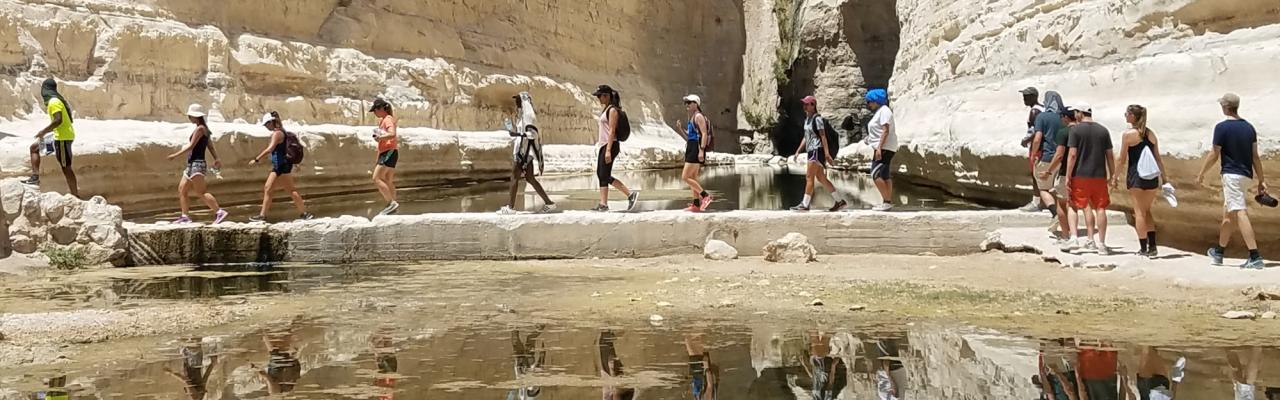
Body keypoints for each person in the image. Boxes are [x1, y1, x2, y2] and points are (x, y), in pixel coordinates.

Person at [1196, 93, 1267, 269]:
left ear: (1225, 107)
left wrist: (1201, 173)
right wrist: (1261, 180)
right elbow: (1255, 157)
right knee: (1228, 213)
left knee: (1240, 212)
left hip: (1231, 175)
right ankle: (1219, 252)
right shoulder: (1249, 128)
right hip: (1245, 175)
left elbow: (1214, 153)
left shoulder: (1221, 127)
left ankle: (1255, 256)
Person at [1112, 105, 1166, 258]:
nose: (1125, 116)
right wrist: (1165, 178)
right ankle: (1153, 247)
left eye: (1127, 114)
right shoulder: (1151, 134)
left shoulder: (1128, 135)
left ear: (1133, 116)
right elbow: (1158, 158)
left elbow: (1121, 159)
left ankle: (1143, 248)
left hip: (1136, 176)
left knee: (1139, 213)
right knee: (1147, 211)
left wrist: (1115, 177)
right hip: (1152, 177)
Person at [1062, 103, 1115, 255]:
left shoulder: (1076, 130)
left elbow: (1072, 155)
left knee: (1073, 204)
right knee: (1100, 208)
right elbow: (1110, 155)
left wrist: (1068, 175)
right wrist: (1112, 175)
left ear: (1079, 113)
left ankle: (1074, 238)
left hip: (1080, 174)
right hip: (1099, 175)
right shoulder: (1103, 130)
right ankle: (1101, 243)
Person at [168, 104, 228, 224]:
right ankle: (185, 216)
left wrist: (175, 155)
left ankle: (219, 211)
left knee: (201, 191)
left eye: (190, 116)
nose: (189, 118)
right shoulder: (204, 129)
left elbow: (191, 146)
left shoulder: (200, 129)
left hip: (197, 164)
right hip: (192, 165)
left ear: (195, 116)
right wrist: (216, 158)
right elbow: (209, 145)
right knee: (182, 189)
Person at [248, 111, 313, 222]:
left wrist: (256, 159)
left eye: (267, 124)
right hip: (281, 165)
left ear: (272, 122)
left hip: (281, 166)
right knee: (270, 189)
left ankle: (304, 213)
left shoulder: (277, 133)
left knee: (283, 190)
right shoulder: (281, 132)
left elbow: (270, 149)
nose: (266, 127)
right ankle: (263, 215)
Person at [498, 92, 555, 215]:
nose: (516, 102)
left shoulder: (529, 117)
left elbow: (532, 134)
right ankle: (549, 203)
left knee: (514, 178)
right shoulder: (522, 116)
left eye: (518, 100)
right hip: (524, 151)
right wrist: (513, 131)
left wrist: (518, 135)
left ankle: (510, 207)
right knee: (530, 178)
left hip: (523, 152)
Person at [22, 78, 79, 198]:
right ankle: (35, 177)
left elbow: (58, 120)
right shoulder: (56, 100)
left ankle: (75, 195)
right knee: (34, 148)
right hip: (57, 136)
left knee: (66, 167)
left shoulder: (54, 102)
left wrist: (43, 132)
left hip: (62, 139)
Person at [789, 96, 848, 212]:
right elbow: (806, 137)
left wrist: (827, 154)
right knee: (821, 178)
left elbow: (823, 136)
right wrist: (798, 150)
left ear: (813, 105)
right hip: (811, 150)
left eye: (807, 104)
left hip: (817, 150)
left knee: (809, 177)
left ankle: (805, 204)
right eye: (804, 104)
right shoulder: (807, 120)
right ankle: (840, 201)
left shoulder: (817, 119)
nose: (804, 106)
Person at [591, 85, 639, 212]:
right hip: (605, 145)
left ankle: (629, 195)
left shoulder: (612, 110)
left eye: (600, 96)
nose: (598, 98)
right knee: (602, 174)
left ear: (606, 96)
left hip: (610, 145)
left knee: (604, 174)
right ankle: (603, 203)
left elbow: (612, 131)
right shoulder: (606, 109)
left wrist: (608, 150)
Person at [1041, 108, 1078, 244]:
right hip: (1083, 172)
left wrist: (1048, 171)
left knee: (1062, 204)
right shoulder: (1082, 131)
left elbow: (1059, 154)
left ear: (1065, 117)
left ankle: (1065, 234)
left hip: (1065, 172)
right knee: (1078, 205)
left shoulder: (1064, 132)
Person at [1031, 92, 1065, 224]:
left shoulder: (1042, 117)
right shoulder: (1063, 117)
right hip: (1062, 158)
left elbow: (1037, 138)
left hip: (1047, 156)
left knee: (1043, 188)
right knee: (1059, 189)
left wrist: (1034, 154)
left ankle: (1055, 214)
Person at [865, 89, 898, 211]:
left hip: (884, 147)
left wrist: (879, 147)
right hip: (884, 146)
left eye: (869, 102)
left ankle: (887, 201)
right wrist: (869, 138)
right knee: (884, 175)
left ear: (875, 100)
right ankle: (887, 202)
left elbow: (885, 130)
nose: (868, 105)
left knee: (875, 174)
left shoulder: (884, 111)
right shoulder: (881, 111)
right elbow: (879, 130)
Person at [680, 94, 714, 212]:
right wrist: (680, 129)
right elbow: (690, 136)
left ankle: (705, 196)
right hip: (691, 146)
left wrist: (701, 150)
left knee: (685, 177)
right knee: (693, 177)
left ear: (696, 104)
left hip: (696, 147)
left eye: (689, 102)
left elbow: (704, 133)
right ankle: (696, 204)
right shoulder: (693, 117)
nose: (687, 105)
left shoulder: (698, 116)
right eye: (686, 103)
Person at [369, 98, 400, 216]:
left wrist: (380, 138)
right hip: (390, 151)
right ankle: (393, 204)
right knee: (388, 180)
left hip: (388, 151)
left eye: (375, 110)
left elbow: (392, 134)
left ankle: (391, 203)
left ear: (381, 109)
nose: (375, 113)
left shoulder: (387, 120)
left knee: (376, 178)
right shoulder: (384, 120)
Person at [1020, 87, 1047, 212]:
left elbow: (1037, 131)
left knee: (1035, 174)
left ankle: (1036, 202)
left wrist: (1026, 140)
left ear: (1034, 96)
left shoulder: (1035, 111)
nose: (1024, 99)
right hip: (1044, 146)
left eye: (1027, 96)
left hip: (1037, 146)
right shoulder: (1043, 108)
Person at [685, 332, 720, 400]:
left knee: (697, 349)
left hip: (699, 375)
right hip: (700, 373)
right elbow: (710, 385)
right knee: (689, 343)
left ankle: (697, 331)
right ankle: (695, 331)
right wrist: (706, 367)